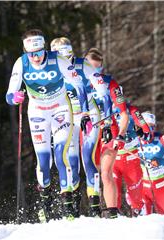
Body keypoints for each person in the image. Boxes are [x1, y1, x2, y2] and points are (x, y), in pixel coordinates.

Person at [5, 29, 92, 222]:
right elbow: (10, 93)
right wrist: (14, 97)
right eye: (31, 53)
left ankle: (68, 203)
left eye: (39, 52)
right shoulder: (22, 63)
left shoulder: (57, 60)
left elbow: (78, 84)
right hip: (37, 112)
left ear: (44, 48)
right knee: (44, 161)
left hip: (61, 109)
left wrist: (84, 111)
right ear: (26, 52)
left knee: (61, 154)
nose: (36, 57)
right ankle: (45, 203)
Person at [50, 37, 112, 217]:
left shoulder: (83, 65)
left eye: (67, 58)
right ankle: (71, 204)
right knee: (71, 160)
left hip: (89, 115)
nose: (64, 64)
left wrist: (107, 122)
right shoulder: (50, 67)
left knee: (88, 157)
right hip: (67, 115)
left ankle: (94, 206)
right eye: (60, 59)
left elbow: (104, 93)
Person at [85, 48, 130, 218]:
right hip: (88, 131)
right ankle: (94, 209)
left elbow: (124, 114)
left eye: (97, 68)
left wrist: (121, 134)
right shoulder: (78, 83)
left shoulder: (111, 84)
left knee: (105, 172)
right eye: (90, 67)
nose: (94, 72)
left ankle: (112, 211)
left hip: (108, 130)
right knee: (91, 171)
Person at [112, 103, 151, 217]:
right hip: (113, 156)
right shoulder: (107, 108)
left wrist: (141, 133)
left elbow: (148, 135)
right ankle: (114, 211)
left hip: (131, 157)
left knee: (135, 190)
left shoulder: (133, 110)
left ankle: (137, 211)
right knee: (113, 185)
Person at [137, 111, 164, 215]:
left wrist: (162, 159)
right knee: (143, 219)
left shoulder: (162, 138)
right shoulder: (135, 140)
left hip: (161, 184)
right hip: (142, 186)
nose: (149, 130)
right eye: (146, 126)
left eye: (152, 127)